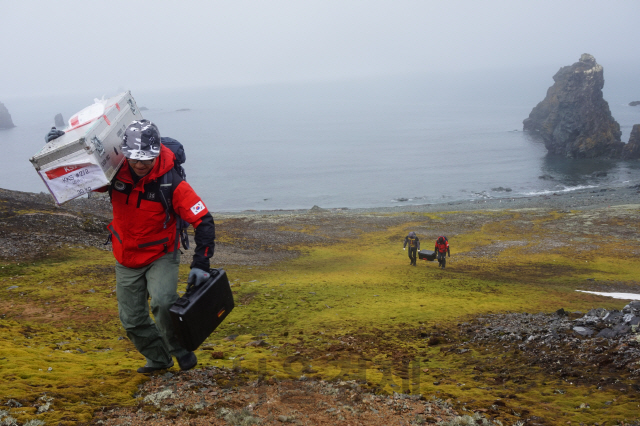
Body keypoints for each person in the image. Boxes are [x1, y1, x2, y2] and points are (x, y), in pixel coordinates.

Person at [46, 120, 215, 374]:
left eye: (146, 159)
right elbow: (79, 176)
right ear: (125, 153)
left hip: (160, 254)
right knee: (132, 320)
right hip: (125, 255)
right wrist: (62, 147)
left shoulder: (173, 182)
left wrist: (201, 263)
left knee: (163, 302)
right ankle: (159, 359)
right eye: (135, 158)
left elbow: (204, 221)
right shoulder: (113, 171)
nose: (140, 164)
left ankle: (180, 350)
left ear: (156, 153)